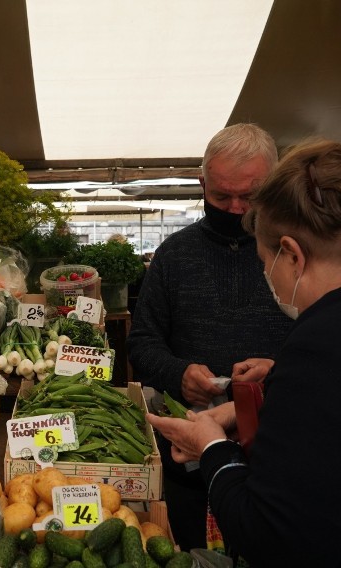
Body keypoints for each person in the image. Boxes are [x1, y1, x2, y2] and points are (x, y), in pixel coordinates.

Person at [148, 139, 341, 566]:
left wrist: (212, 447)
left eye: (267, 265)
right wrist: (277, 387)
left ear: (292, 255)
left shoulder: (325, 346)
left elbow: (276, 539)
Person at [127, 123, 293, 551]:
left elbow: (326, 346)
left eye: (249, 196)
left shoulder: (296, 254)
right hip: (190, 451)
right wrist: (177, 372)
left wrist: (278, 371)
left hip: (279, 446)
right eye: (221, 196)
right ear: (202, 184)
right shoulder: (175, 255)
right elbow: (142, 340)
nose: (236, 208)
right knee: (191, 552)